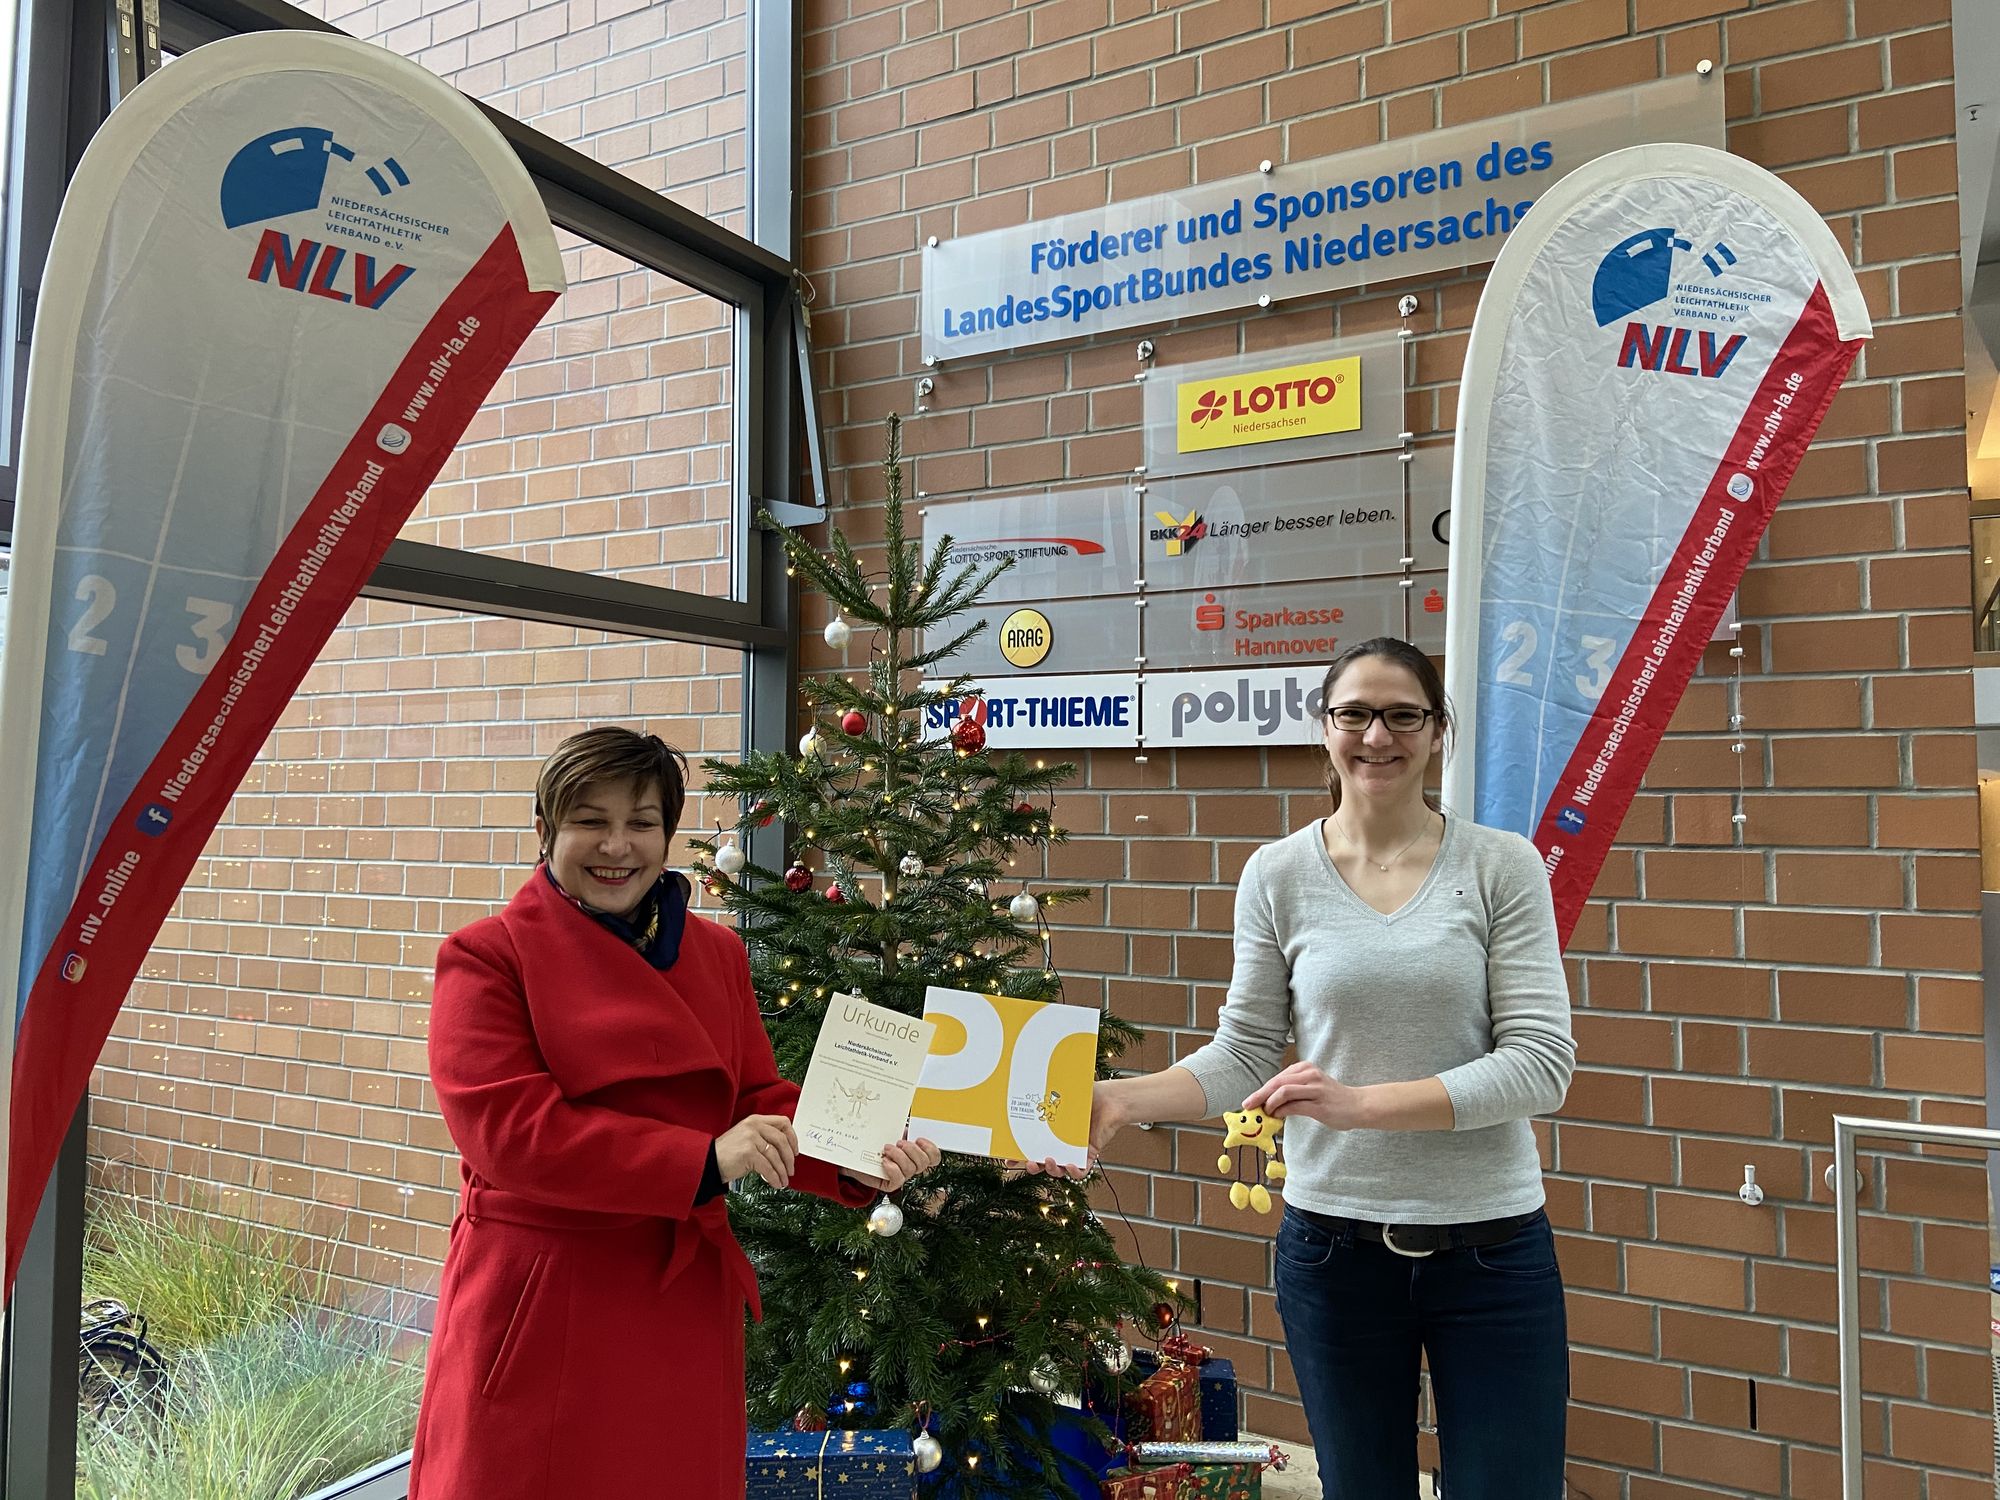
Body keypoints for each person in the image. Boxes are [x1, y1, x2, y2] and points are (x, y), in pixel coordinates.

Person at [1037, 637, 1574, 1498]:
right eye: (1355, 713)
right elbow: (1244, 1052)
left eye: (1403, 715)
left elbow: (1540, 1066)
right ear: (1324, 727)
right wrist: (1118, 1097)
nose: (1378, 735)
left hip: (1492, 1253)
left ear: (1438, 730)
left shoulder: (1500, 865)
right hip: (1335, 1256)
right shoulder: (1278, 874)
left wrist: (1362, 1105)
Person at [408, 727, 941, 1500]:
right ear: (545, 830)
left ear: (667, 835)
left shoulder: (714, 955)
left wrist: (859, 1152)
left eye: (642, 822)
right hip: (547, 1301)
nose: (617, 846)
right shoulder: (489, 957)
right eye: (591, 821)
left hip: (680, 1302)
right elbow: (513, 1137)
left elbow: (756, 1100)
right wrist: (702, 1161)